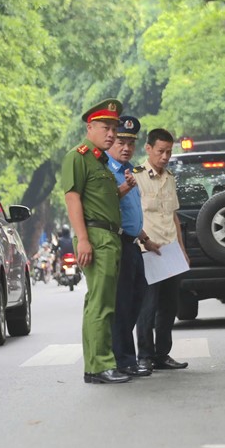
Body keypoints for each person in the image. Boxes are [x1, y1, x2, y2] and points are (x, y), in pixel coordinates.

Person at [61, 98, 133, 384]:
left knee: (100, 303)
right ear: (90, 127)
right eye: (106, 127)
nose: (112, 134)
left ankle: (96, 366)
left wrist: (123, 189)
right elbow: (72, 197)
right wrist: (82, 239)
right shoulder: (78, 156)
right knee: (101, 305)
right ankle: (100, 365)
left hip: (109, 237)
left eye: (114, 128)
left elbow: (101, 199)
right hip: (97, 237)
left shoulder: (100, 161)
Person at [107, 115, 161, 378]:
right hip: (116, 244)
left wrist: (144, 238)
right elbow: (106, 205)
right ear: (110, 141)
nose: (126, 147)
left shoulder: (128, 171)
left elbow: (129, 214)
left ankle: (123, 356)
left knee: (136, 299)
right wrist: (122, 188)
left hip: (133, 243)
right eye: (121, 141)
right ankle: (123, 360)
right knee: (122, 304)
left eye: (130, 142)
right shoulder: (106, 170)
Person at [134, 128, 189, 372]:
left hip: (170, 250)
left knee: (169, 306)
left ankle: (162, 354)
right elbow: (132, 214)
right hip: (147, 250)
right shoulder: (135, 177)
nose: (165, 156)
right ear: (148, 149)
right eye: (160, 151)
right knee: (148, 306)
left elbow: (174, 217)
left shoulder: (170, 178)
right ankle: (144, 355)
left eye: (169, 151)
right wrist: (144, 241)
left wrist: (182, 248)